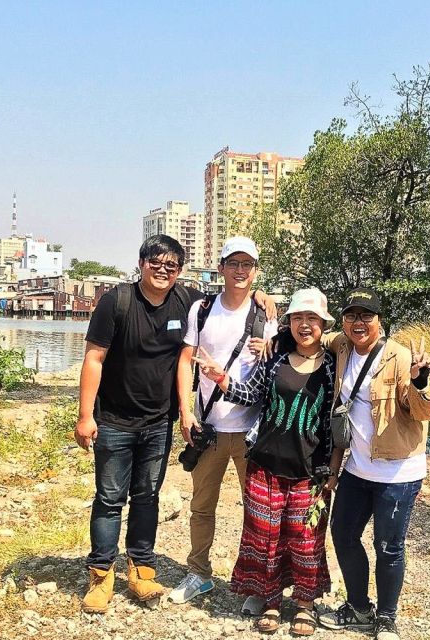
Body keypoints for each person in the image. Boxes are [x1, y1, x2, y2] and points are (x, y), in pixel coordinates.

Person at [74, 235, 275, 614]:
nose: (163, 270)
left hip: (181, 425)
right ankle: (103, 575)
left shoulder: (207, 304)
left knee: (150, 497)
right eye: (156, 262)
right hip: (129, 420)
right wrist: (86, 416)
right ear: (141, 262)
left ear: (180, 271)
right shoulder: (130, 302)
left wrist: (264, 297)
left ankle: (145, 570)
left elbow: (244, 299)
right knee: (112, 499)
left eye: (171, 265)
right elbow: (97, 358)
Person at [194, 288, 342, 636]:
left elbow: (338, 424)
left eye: (312, 319)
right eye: (298, 318)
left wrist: (333, 469)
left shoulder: (335, 366)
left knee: (306, 540)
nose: (305, 325)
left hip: (311, 472)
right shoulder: (274, 358)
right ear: (289, 323)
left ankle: (305, 604)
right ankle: (271, 600)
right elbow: (252, 395)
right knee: (266, 537)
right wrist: (222, 379)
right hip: (265, 465)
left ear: (323, 325)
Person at [316, 288, 430, 640]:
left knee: (388, 546)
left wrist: (420, 382)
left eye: (366, 315)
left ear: (379, 321)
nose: (358, 322)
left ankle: (386, 617)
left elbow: (425, 411)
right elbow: (312, 332)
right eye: (352, 315)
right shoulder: (341, 346)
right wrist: (273, 315)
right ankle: (358, 607)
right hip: (357, 469)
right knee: (342, 534)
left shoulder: (399, 358)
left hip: (398, 473)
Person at [169, 236, 278, 609]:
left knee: (257, 511)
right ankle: (199, 572)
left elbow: (277, 369)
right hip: (209, 429)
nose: (240, 271)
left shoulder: (266, 314)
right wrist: (185, 412)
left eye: (248, 264)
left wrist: (271, 347)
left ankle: (255, 584)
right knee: (202, 506)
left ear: (256, 270)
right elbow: (186, 360)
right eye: (234, 263)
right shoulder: (201, 309)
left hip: (251, 433)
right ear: (221, 268)